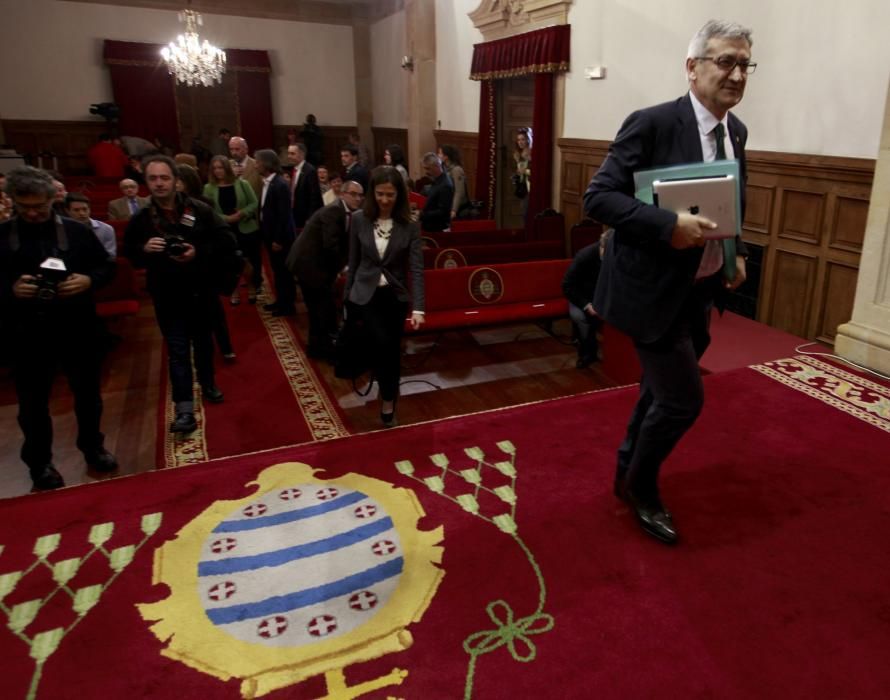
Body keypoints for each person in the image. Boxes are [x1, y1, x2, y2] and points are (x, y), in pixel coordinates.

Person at [583, 19, 753, 545]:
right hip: (649, 290)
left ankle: (624, 472)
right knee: (683, 400)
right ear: (693, 67)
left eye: (744, 64)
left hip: (699, 291)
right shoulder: (652, 123)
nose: (736, 74)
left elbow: (730, 200)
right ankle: (641, 487)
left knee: (657, 390)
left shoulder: (736, 131)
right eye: (725, 61)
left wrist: (735, 250)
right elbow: (599, 198)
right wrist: (667, 225)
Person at [0, 166, 118, 490]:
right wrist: (10, 289)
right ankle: (40, 464)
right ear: (13, 202)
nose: (34, 212)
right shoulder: (2, 236)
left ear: (53, 199)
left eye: (40, 205)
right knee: (33, 404)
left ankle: (93, 447)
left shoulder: (76, 232)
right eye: (25, 207)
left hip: (76, 326)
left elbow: (106, 267)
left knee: (88, 395)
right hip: (27, 331)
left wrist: (88, 280)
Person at [124, 155, 238, 434]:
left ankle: (209, 384)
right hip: (167, 293)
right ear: (146, 182)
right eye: (153, 178)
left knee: (203, 344)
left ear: (176, 180)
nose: (159, 184)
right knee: (177, 351)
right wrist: (144, 250)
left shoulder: (200, 210)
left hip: (201, 289)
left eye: (164, 178)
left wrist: (197, 250)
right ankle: (184, 409)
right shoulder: (141, 218)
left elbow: (226, 240)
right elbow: (130, 255)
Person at [345, 166, 424, 427]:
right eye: (380, 194)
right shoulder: (358, 219)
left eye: (390, 194)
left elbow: (416, 268)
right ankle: (385, 386)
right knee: (380, 344)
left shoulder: (410, 225)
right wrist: (347, 301)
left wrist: (419, 308)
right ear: (372, 193)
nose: (385, 200)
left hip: (393, 297)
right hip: (365, 295)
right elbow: (353, 262)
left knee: (390, 350)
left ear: (399, 195)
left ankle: (389, 399)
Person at [286, 179, 364, 359]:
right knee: (320, 309)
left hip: (318, 265)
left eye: (360, 195)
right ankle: (322, 349)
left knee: (322, 309)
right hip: (309, 265)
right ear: (343, 194)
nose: (358, 198)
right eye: (353, 194)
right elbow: (331, 245)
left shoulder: (348, 212)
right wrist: (342, 268)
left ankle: (318, 348)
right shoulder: (334, 211)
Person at [204, 155, 260, 306]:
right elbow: (207, 210)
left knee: (247, 262)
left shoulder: (242, 184)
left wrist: (242, 213)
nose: (218, 171)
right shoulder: (209, 188)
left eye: (220, 167)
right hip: (224, 231)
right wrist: (226, 218)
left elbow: (254, 203)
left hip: (245, 228)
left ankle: (251, 286)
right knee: (229, 263)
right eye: (214, 168)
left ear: (227, 168)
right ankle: (233, 290)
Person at [255, 149, 298, 317]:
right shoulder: (268, 183)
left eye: (258, 162)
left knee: (284, 274)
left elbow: (284, 215)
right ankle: (281, 301)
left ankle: (288, 306)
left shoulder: (279, 185)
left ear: (266, 163)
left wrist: (278, 240)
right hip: (270, 236)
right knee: (277, 272)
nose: (256, 165)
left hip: (280, 239)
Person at [561, 233, 609, 369]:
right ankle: (587, 354)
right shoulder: (584, 256)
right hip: (581, 297)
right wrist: (586, 305)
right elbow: (567, 286)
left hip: (602, 297)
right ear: (602, 246)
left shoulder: (616, 255)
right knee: (581, 318)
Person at [64, 192, 116, 259]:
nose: (82, 213)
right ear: (67, 211)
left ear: (89, 209)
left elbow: (110, 256)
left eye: (85, 209)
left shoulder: (106, 229)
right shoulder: (62, 229)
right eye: (76, 210)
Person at [286, 143, 323, 229]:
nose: (289, 156)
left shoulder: (310, 171)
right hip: (295, 215)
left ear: (302, 154)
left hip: (305, 217)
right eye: (288, 153)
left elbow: (314, 197)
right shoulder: (294, 169)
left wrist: (310, 218)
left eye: (292, 154)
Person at [418, 152, 453, 232]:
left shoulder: (445, 185)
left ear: (436, 166)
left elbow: (443, 212)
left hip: (438, 229)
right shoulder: (437, 180)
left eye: (428, 168)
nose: (426, 172)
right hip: (430, 226)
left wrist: (422, 214)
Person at [438, 145, 468, 220]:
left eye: (440, 153)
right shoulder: (444, 168)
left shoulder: (456, 170)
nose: (438, 155)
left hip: (459, 209)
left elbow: (459, 192)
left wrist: (454, 210)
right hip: (448, 206)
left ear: (446, 157)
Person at [513, 128, 531, 218]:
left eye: (523, 139)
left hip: (530, 187)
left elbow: (536, 171)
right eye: (518, 140)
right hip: (522, 186)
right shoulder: (518, 154)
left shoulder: (531, 153)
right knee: (524, 211)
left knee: (526, 213)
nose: (520, 142)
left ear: (527, 140)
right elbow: (519, 170)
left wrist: (525, 171)